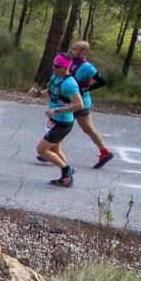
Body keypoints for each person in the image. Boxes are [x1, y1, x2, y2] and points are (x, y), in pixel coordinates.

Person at [31, 53, 83, 187]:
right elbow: (51, 88)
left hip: (63, 123)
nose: (53, 68)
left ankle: (67, 170)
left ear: (64, 68)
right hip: (55, 120)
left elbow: (79, 105)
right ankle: (66, 178)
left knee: (41, 150)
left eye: (56, 66)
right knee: (55, 150)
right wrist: (39, 93)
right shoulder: (56, 76)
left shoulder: (70, 84)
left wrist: (57, 110)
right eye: (53, 64)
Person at [68, 40, 113, 168]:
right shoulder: (71, 62)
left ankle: (105, 152)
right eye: (72, 48)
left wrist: (87, 89)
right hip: (70, 100)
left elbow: (102, 81)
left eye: (75, 49)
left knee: (88, 129)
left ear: (84, 52)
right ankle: (48, 150)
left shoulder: (87, 67)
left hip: (81, 102)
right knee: (59, 124)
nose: (72, 51)